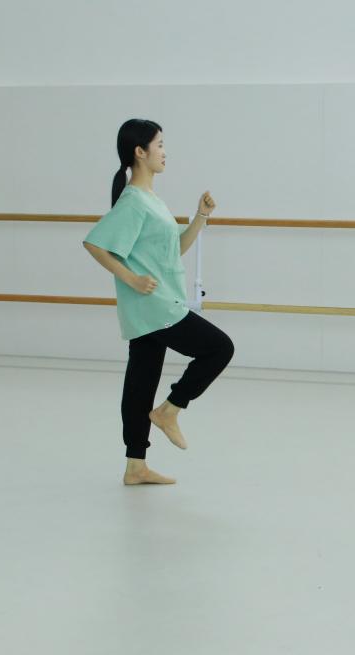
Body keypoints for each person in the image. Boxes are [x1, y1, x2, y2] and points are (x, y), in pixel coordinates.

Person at [83, 119, 234, 485]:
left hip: (150, 307)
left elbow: (174, 250)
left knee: (141, 382)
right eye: (160, 144)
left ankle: (135, 466)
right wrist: (132, 278)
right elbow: (95, 244)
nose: (165, 152)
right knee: (219, 348)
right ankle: (170, 409)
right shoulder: (134, 202)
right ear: (140, 151)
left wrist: (201, 217)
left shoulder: (151, 200)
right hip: (156, 306)